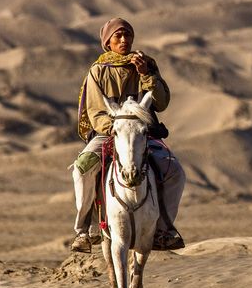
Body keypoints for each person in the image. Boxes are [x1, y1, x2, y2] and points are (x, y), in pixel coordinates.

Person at [70, 17, 186, 253]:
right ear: (108, 42)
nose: (124, 40)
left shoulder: (146, 65)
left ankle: (164, 229)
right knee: (82, 167)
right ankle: (84, 230)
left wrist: (146, 74)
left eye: (128, 35)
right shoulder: (98, 71)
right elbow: (94, 111)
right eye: (118, 36)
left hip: (143, 133)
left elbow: (161, 103)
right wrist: (115, 128)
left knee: (174, 170)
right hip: (109, 132)